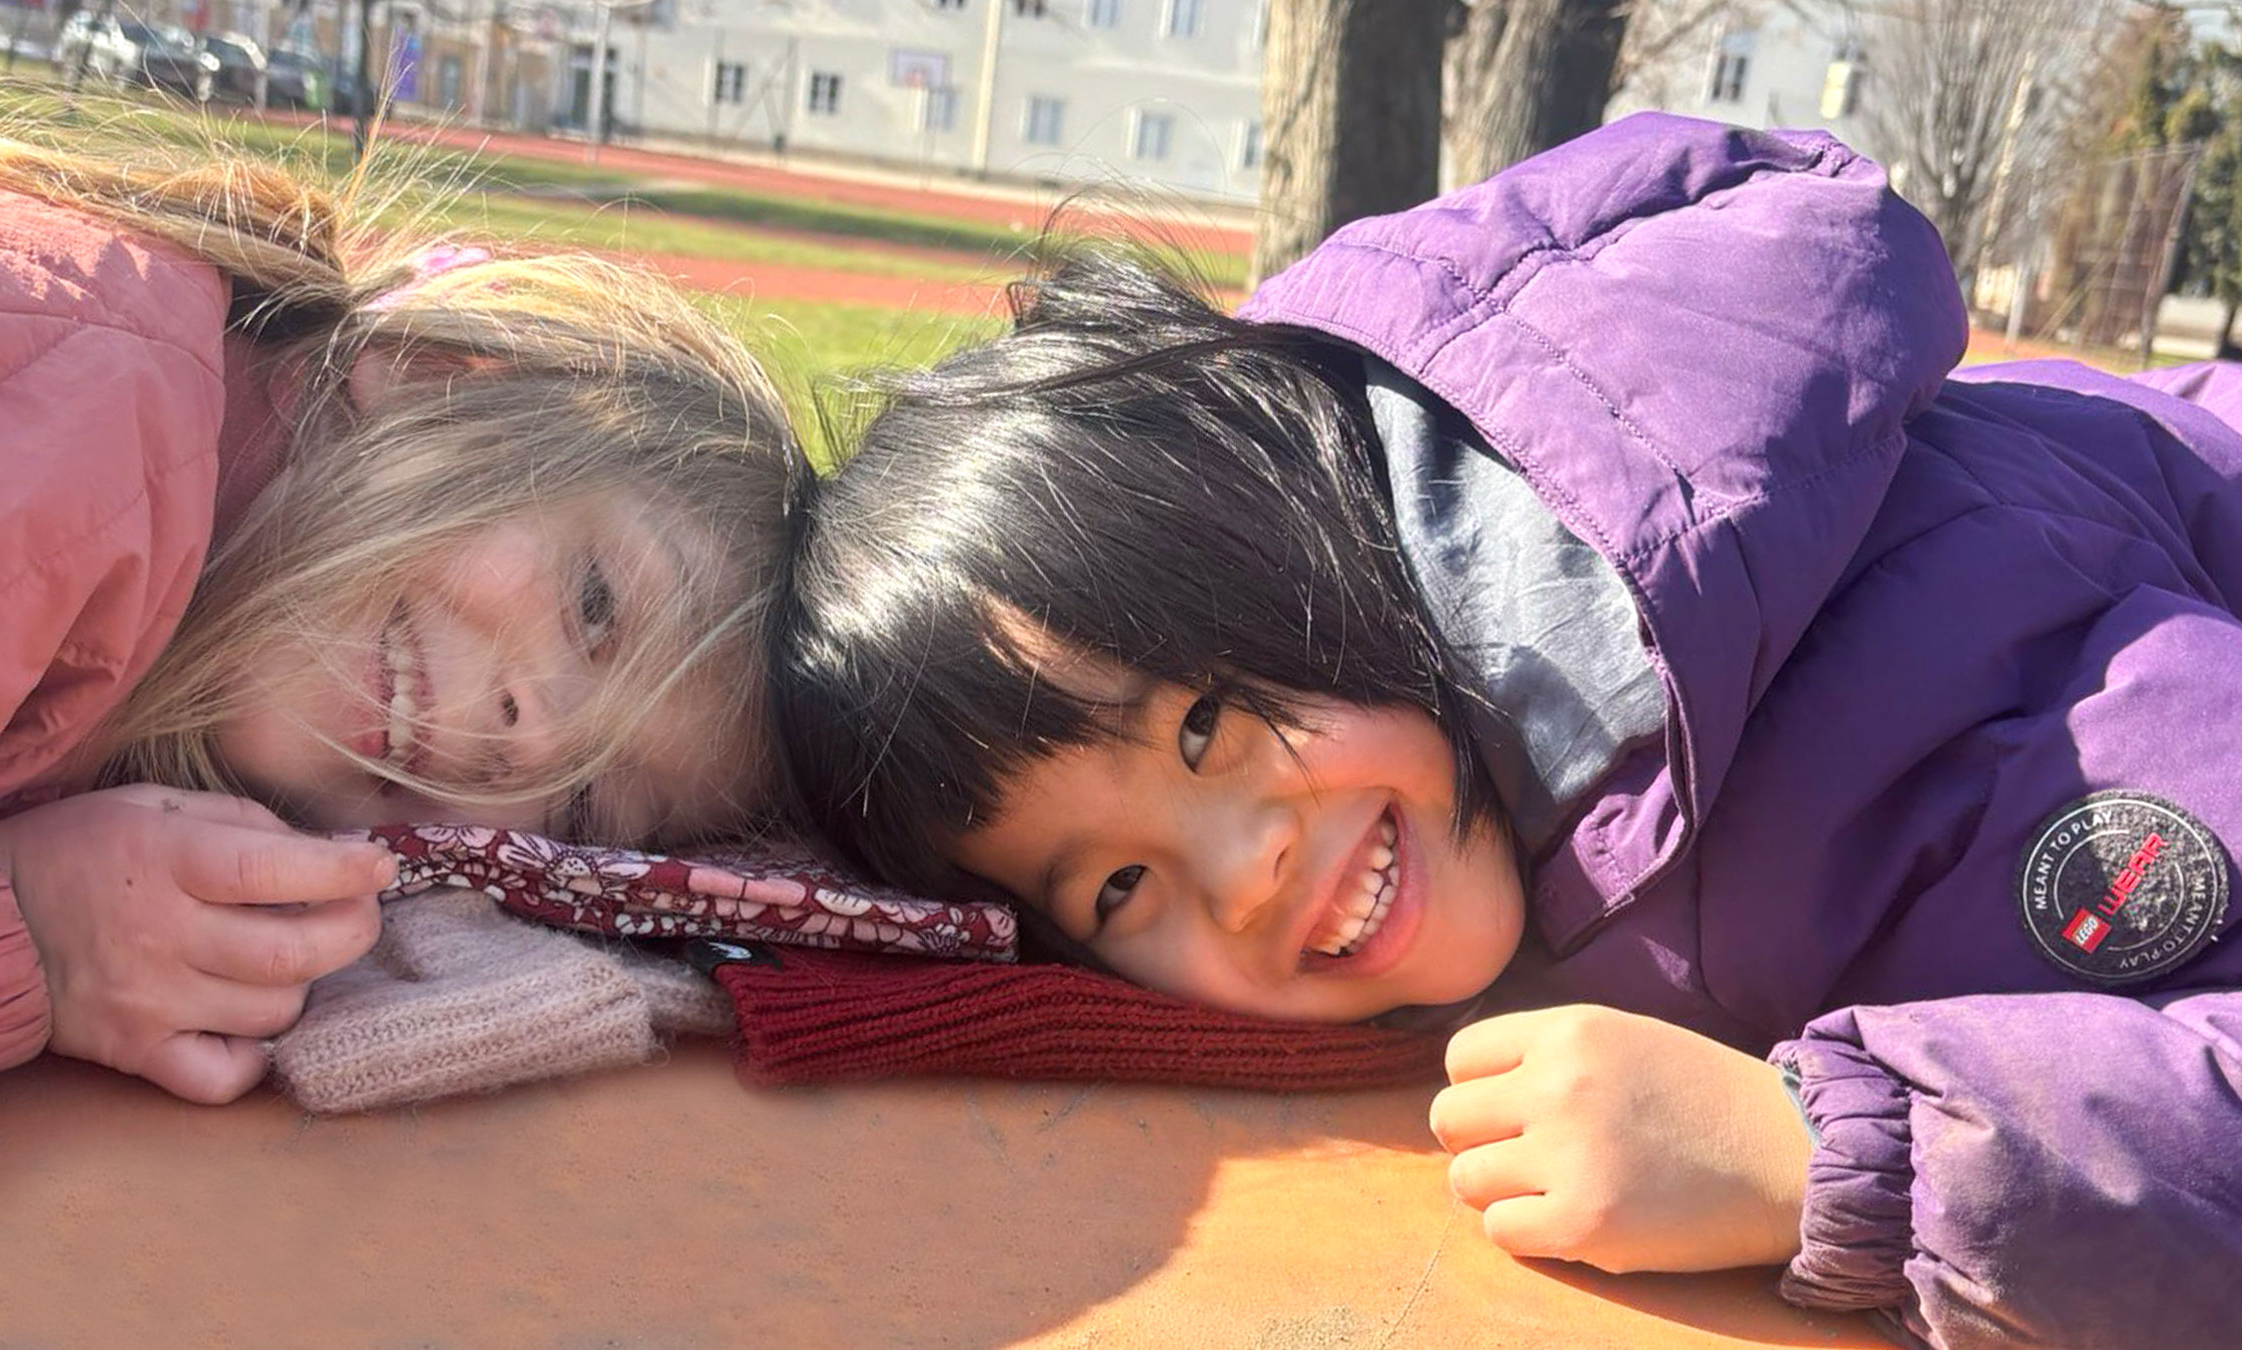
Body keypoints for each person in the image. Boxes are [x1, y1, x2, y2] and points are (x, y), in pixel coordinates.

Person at [772, 113, 2242, 1346]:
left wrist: (1825, 1153)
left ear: (1304, 529)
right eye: (1114, 887)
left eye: (1211, 720)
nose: (1242, 875)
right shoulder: (1490, 768)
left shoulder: (1961, 687)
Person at [0, 125, 803, 1165]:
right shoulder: (97, 437)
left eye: (588, 803)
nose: (535, 742)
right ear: (440, 379)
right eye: (597, 606)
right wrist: (14, 929)